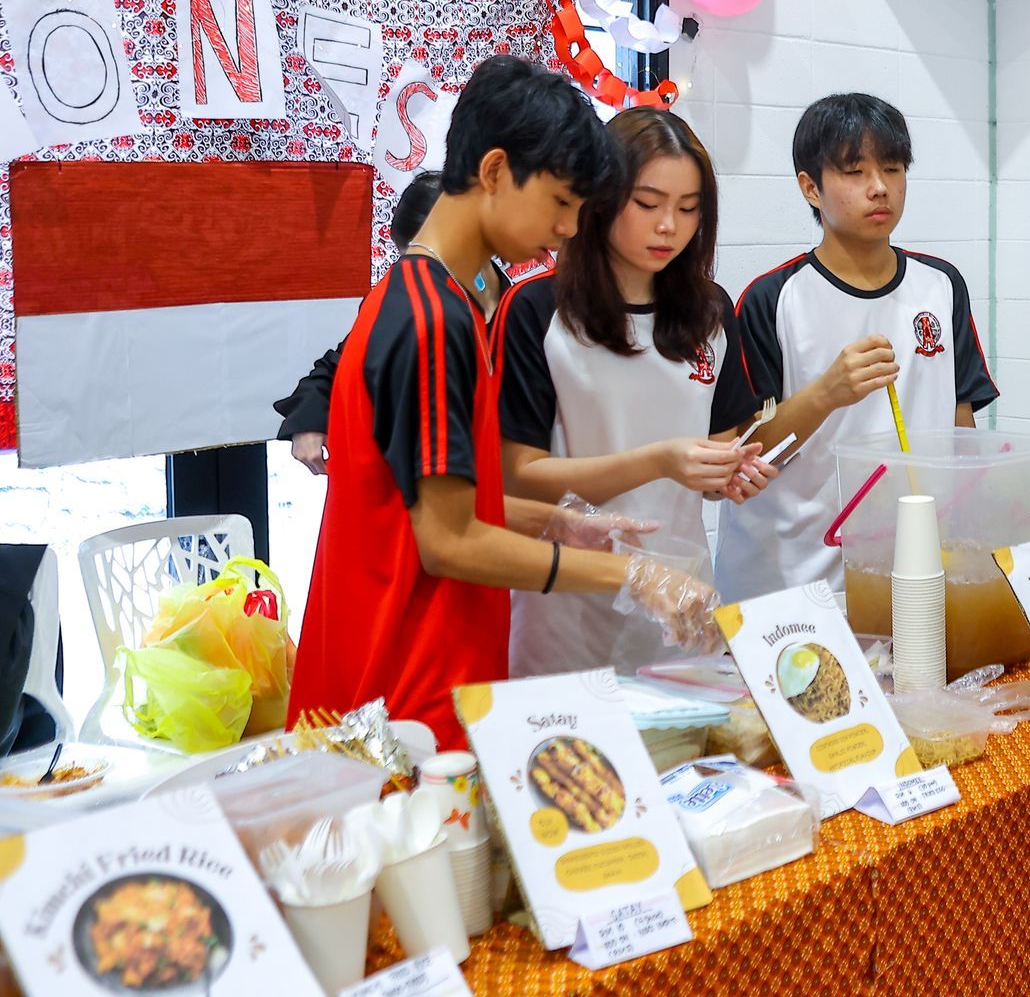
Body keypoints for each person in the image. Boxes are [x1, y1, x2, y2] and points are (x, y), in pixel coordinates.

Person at [285, 56, 719, 748]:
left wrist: (552, 522)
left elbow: (429, 506)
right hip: (407, 694)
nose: (571, 227)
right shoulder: (434, 321)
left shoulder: (429, 298)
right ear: (493, 172)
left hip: (411, 675)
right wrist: (630, 574)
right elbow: (448, 541)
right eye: (560, 202)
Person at [496, 107, 777, 676]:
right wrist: (661, 461)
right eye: (648, 205)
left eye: (688, 209)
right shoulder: (536, 310)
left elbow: (718, 454)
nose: (669, 226)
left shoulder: (711, 312)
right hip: (565, 606)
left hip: (680, 596)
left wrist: (732, 471)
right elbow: (520, 476)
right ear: (601, 199)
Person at [715, 92, 998, 601]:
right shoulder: (772, 299)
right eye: (854, 172)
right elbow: (744, 454)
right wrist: (827, 392)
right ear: (811, 188)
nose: (879, 188)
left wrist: (967, 531)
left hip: (911, 570)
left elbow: (962, 425)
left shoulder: (941, 285)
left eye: (892, 168)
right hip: (791, 581)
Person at [273, 170, 512, 475]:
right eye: (409, 263)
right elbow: (340, 366)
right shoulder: (399, 303)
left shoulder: (521, 304)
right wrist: (308, 422)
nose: (419, 276)